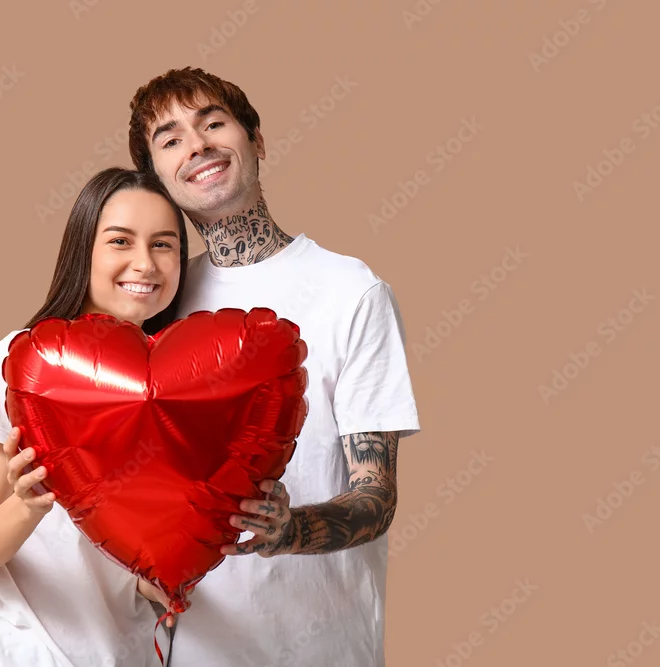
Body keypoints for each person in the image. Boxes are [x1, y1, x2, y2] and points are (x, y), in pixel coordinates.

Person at [126, 66, 422, 666]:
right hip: (191, 651)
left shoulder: (351, 291)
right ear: (156, 179)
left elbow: (377, 498)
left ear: (256, 140)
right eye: (171, 139)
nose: (197, 146)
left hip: (325, 649)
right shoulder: (156, 301)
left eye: (213, 123)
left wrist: (290, 530)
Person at [0, 167, 192, 666]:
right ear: (84, 249)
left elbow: (116, 554)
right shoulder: (17, 365)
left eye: (163, 245)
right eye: (120, 241)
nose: (145, 263)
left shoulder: (173, 385)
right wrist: (29, 505)